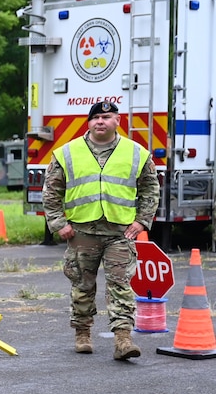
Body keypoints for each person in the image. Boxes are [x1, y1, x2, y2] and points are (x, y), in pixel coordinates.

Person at [42, 100, 160, 360]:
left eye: (106, 117)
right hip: (81, 232)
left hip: (119, 232)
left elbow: (151, 188)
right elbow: (51, 192)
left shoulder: (137, 153)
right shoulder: (67, 153)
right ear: (89, 122)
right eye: (95, 118)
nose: (100, 122)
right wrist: (59, 223)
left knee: (120, 284)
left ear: (117, 120)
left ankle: (123, 340)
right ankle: (83, 334)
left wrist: (142, 221)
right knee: (83, 285)